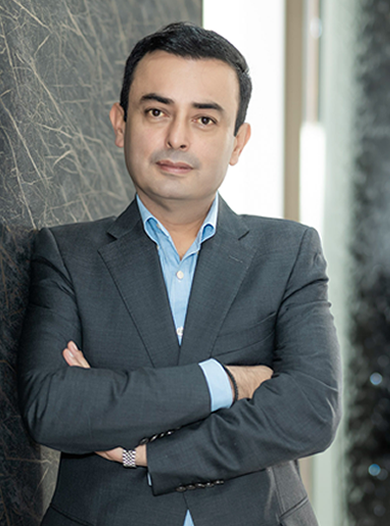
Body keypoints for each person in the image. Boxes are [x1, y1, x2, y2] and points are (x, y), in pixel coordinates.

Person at [18, 22, 341, 526]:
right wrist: (227, 382)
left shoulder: (288, 252)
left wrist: (148, 453)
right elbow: (54, 408)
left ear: (237, 142)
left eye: (205, 119)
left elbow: (310, 412)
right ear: (121, 123)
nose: (177, 137)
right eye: (156, 112)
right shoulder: (67, 254)